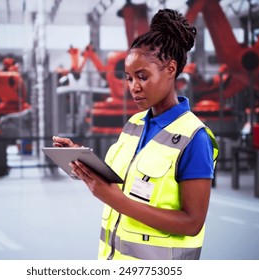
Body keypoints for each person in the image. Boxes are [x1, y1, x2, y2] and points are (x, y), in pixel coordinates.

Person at [53, 8, 218, 260]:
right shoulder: (135, 123)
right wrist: (81, 160)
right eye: (129, 78)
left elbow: (192, 222)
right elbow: (122, 178)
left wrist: (117, 201)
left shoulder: (194, 138)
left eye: (142, 77)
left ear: (170, 69)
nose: (134, 87)